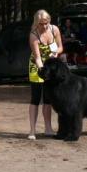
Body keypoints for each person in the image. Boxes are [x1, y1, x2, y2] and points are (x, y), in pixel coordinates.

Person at [27, 9, 63, 140]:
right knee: (35, 98)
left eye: (46, 23)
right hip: (37, 67)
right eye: (41, 23)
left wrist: (55, 53)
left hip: (50, 67)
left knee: (48, 99)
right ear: (37, 23)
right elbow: (37, 57)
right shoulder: (33, 35)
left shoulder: (55, 30)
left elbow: (60, 47)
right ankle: (32, 130)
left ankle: (48, 128)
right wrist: (43, 73)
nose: (44, 26)